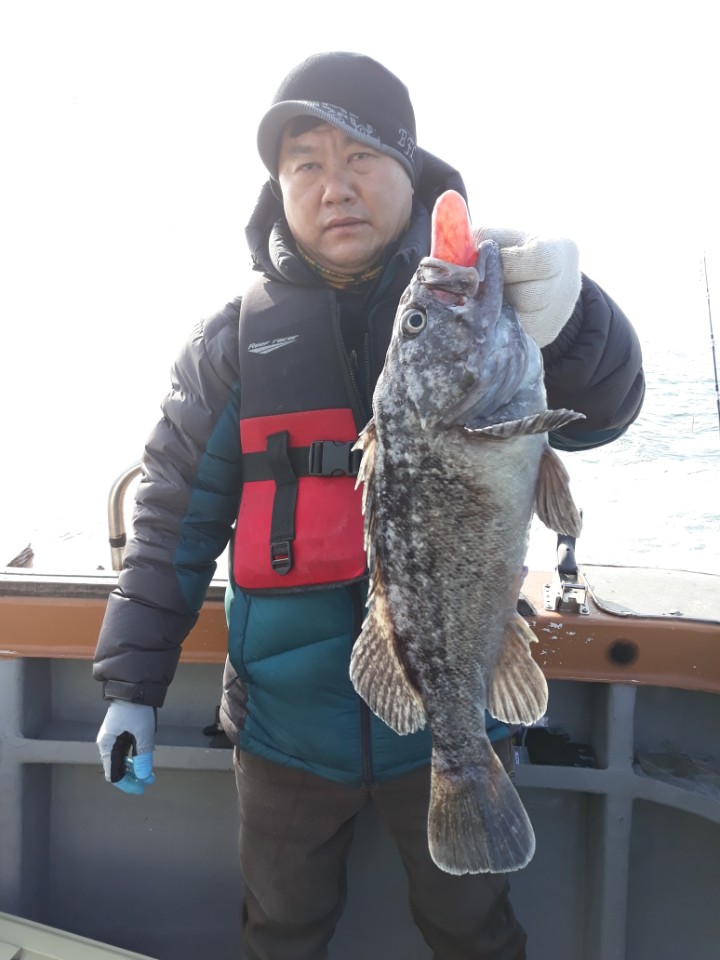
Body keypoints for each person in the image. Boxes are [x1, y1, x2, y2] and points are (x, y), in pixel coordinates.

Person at [94, 51, 645, 960]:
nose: (334, 186)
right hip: (281, 731)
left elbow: (609, 406)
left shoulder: (481, 301)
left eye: (360, 156)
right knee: (279, 930)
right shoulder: (232, 342)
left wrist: (574, 311)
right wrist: (130, 687)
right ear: (279, 188)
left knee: (475, 934)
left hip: (458, 706)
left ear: (410, 168)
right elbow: (170, 523)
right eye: (306, 163)